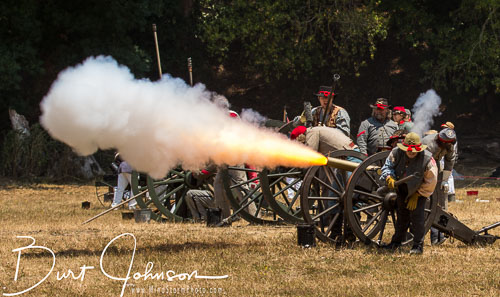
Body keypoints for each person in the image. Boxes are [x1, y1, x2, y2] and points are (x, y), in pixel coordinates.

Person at [380, 132, 438, 254]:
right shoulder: (396, 152)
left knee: (417, 218)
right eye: (408, 150)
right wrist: (389, 177)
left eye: (414, 150)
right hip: (402, 189)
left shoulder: (427, 159)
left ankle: (418, 246)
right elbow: (387, 166)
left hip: (419, 191)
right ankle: (395, 243)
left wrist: (418, 195)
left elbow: (431, 181)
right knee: (401, 217)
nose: (411, 152)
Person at [422, 126, 457, 245]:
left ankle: (439, 236)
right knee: (428, 203)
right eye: (446, 144)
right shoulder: (429, 144)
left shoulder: (450, 145)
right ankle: (423, 236)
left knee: (441, 203)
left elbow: (449, 161)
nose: (448, 146)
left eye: (450, 144)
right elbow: (424, 163)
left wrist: (445, 180)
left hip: (436, 165)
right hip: (422, 166)